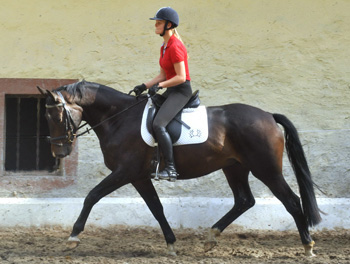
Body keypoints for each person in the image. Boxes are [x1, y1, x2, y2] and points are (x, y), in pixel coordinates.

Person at [132, 7, 192, 182]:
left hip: (181, 91)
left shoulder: (176, 46)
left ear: (169, 25)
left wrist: (160, 86)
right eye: (156, 22)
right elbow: (163, 75)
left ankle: (171, 169)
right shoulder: (164, 47)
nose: (156, 24)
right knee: (144, 106)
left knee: (159, 124)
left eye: (159, 22)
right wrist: (144, 86)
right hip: (171, 89)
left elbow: (181, 77)